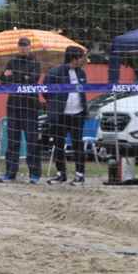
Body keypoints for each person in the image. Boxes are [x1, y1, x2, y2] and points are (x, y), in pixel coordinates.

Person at [0, 36, 42, 183]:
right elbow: (3, 79)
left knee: (32, 141)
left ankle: (34, 174)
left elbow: (33, 79)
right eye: (21, 45)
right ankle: (10, 173)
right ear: (18, 47)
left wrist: (15, 76)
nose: (23, 48)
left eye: (26, 45)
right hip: (14, 106)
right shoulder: (11, 61)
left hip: (30, 106)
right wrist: (13, 76)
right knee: (13, 141)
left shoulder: (35, 62)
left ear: (30, 47)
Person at [45, 46, 88, 185]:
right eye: (82, 57)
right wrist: (55, 105)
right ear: (74, 58)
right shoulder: (55, 72)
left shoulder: (81, 73)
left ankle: (80, 175)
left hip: (77, 114)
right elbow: (46, 92)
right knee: (59, 145)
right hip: (60, 115)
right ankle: (61, 174)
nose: (84, 60)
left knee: (78, 145)